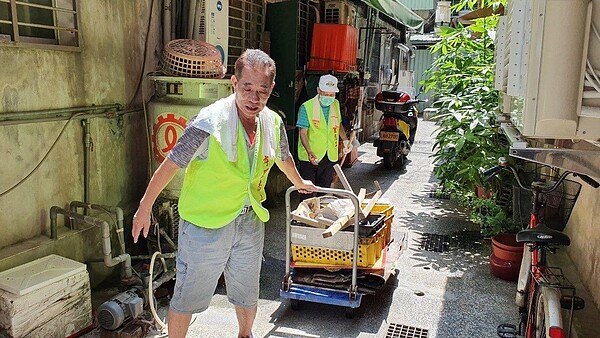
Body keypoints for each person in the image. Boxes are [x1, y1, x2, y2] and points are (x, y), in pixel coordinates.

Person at [132, 49, 316, 338]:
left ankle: (245, 334)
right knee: (187, 295)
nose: (254, 98)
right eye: (247, 88)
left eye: (262, 91)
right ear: (234, 83)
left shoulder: (272, 122)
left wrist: (300, 180)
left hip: (250, 220)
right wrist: (144, 208)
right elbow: (171, 164)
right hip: (205, 223)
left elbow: (283, 157)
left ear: (271, 90)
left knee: (247, 290)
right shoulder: (208, 121)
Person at [296, 74, 351, 195]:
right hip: (310, 158)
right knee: (308, 195)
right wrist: (309, 151)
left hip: (329, 156)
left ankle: (322, 214)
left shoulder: (335, 104)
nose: (329, 97)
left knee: (325, 194)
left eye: (332, 95)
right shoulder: (307, 107)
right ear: (318, 90)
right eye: (325, 94)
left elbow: (338, 125)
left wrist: (345, 140)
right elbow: (303, 133)